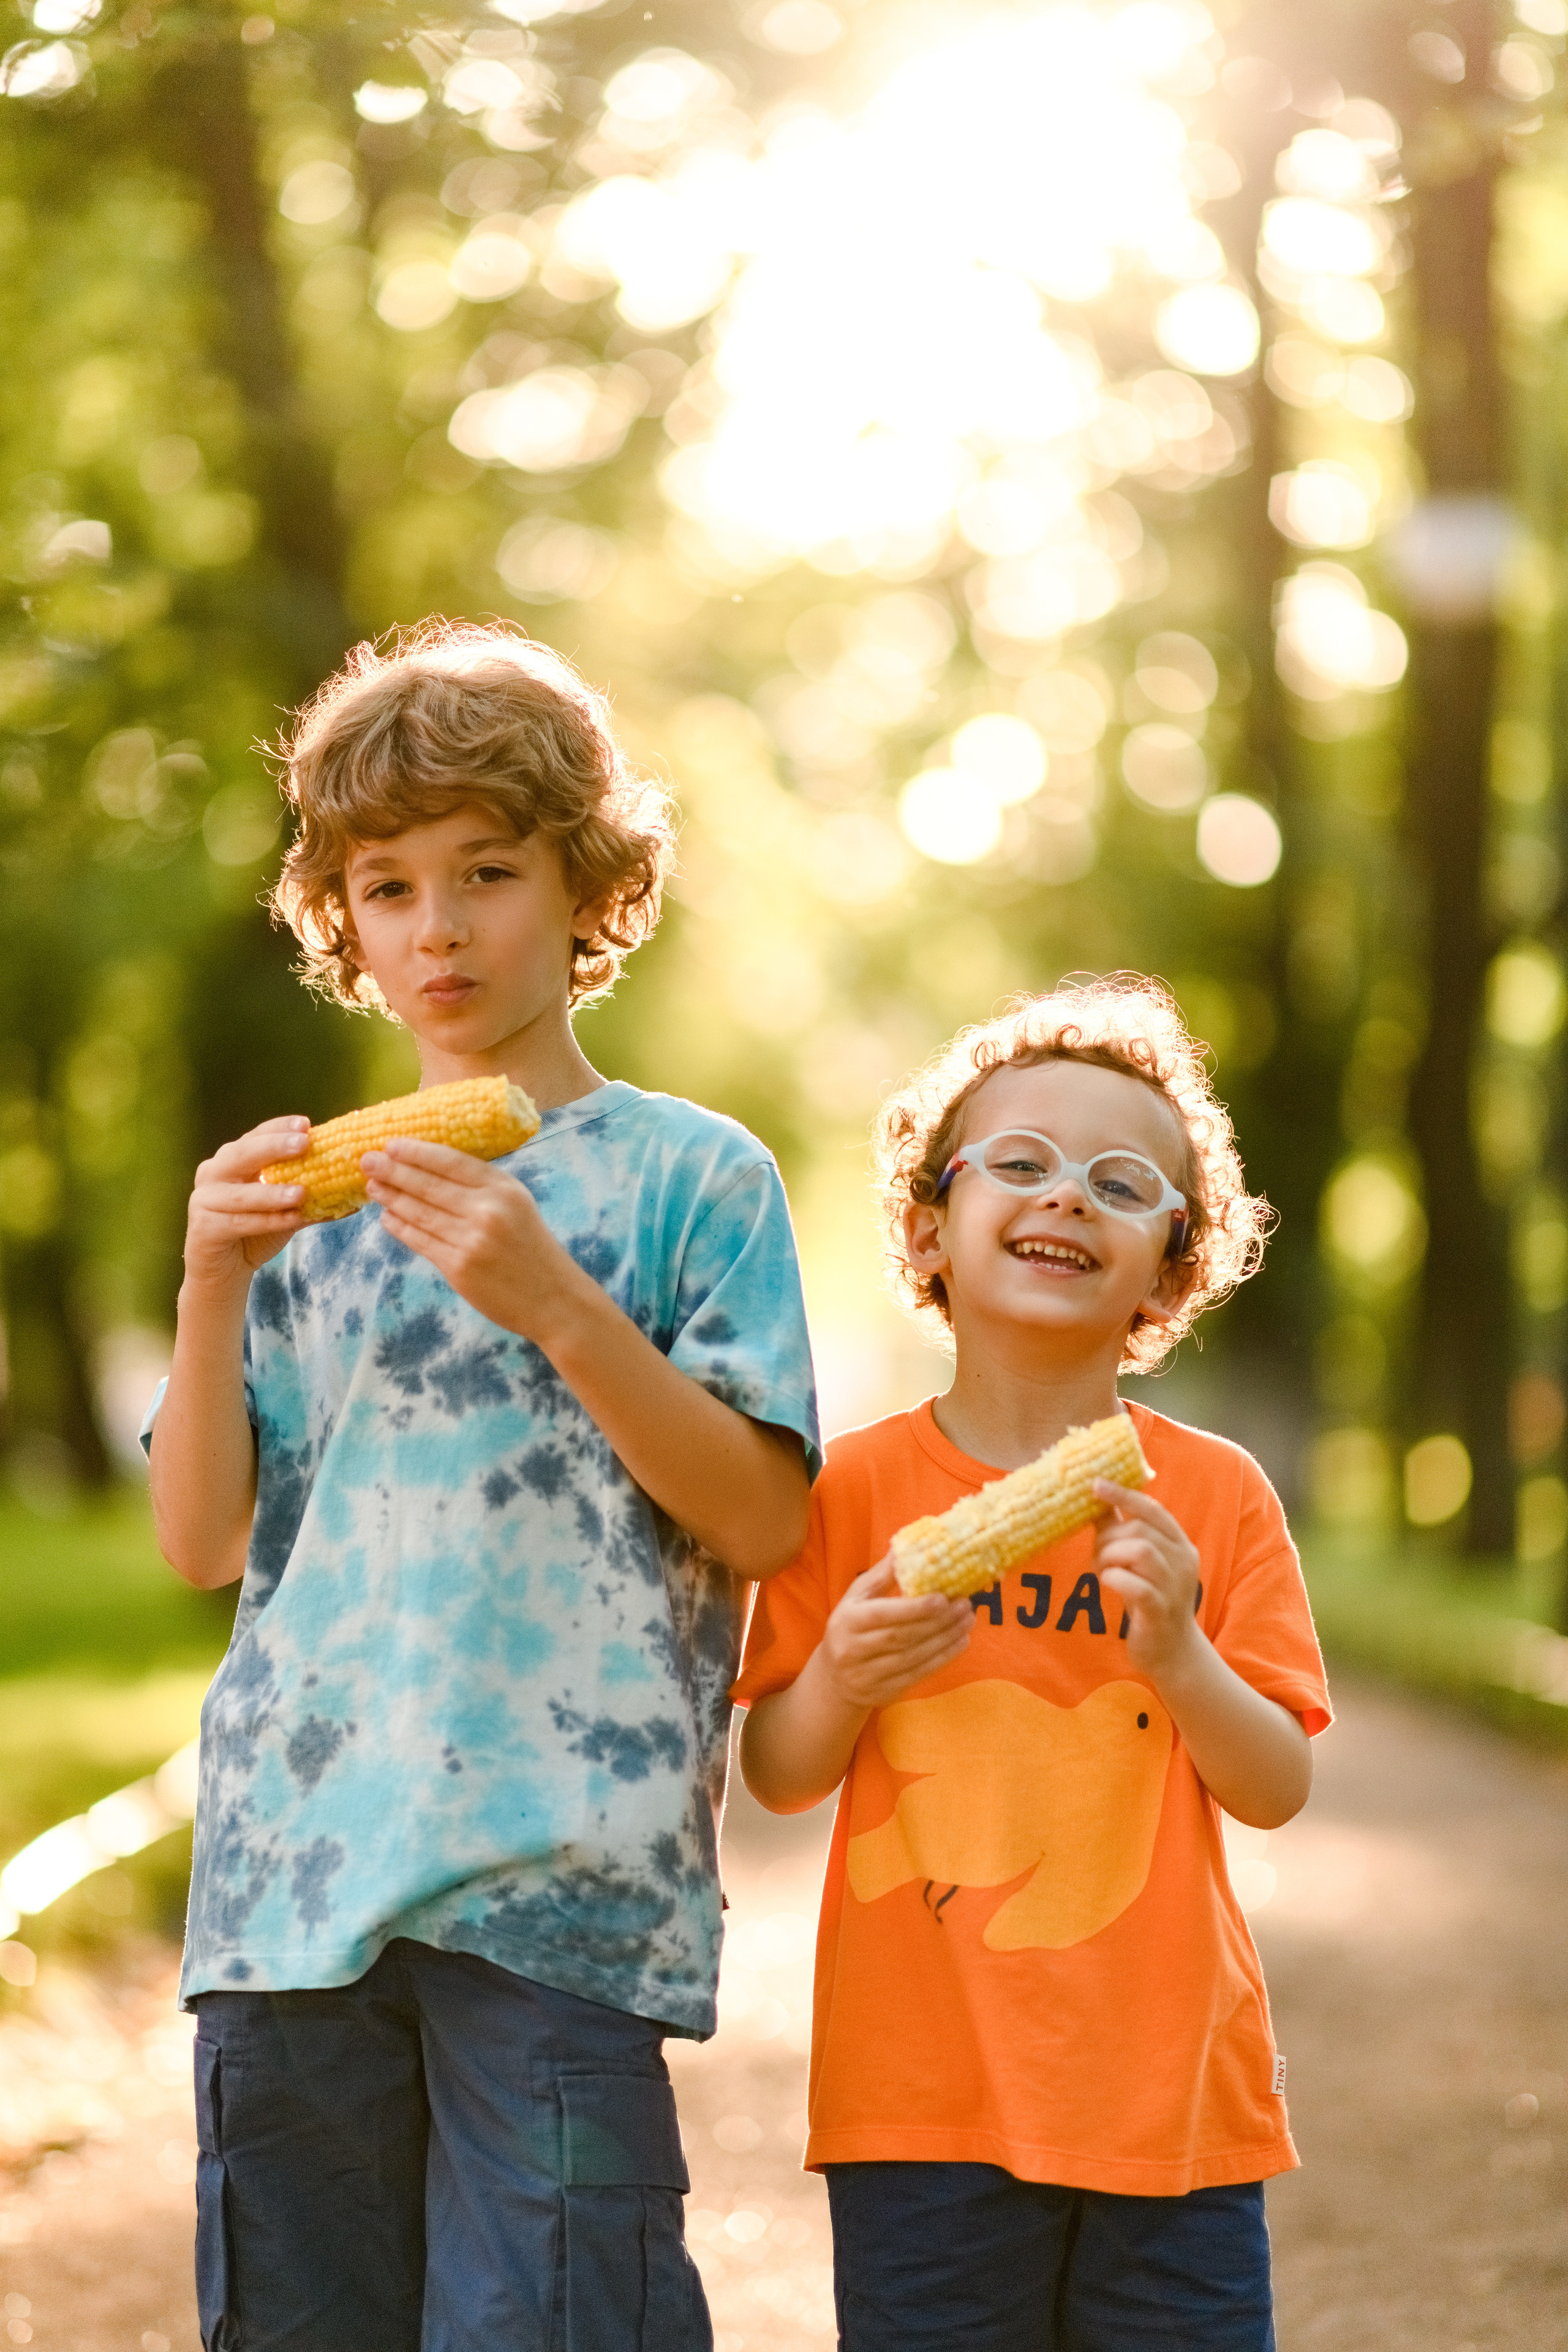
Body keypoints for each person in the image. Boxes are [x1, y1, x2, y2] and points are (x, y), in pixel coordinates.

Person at [144, 620, 820, 2352]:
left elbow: (761, 1522)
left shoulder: (695, 1179)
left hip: (558, 1887)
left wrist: (557, 1306)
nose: (437, 929)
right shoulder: (308, 1214)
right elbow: (201, 1541)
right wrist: (210, 1283)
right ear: (341, 925)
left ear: (589, 887)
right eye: (383, 887)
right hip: (296, 1892)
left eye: (488, 872)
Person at [734, 976, 1330, 2352]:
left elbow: (1275, 1783)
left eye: (1120, 1184)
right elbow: (774, 1772)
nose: (1064, 1198)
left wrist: (1177, 1655)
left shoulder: (1215, 1496)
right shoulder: (849, 1491)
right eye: (1018, 1163)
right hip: (918, 2097)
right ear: (929, 1223)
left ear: (1172, 1266)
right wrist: (842, 1672)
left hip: (1169, 2100)